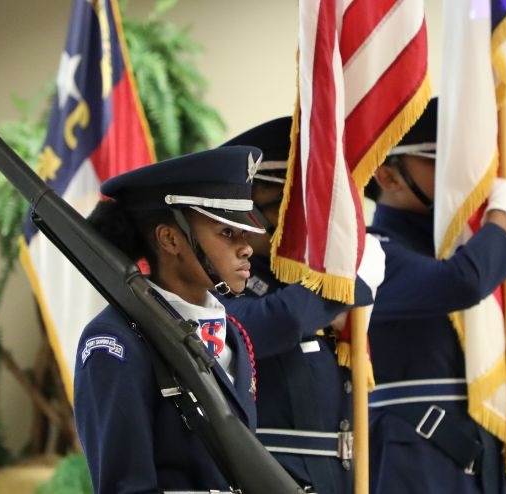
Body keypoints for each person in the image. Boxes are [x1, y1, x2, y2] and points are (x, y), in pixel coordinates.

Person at [73, 146, 268, 493]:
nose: (246, 247)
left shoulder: (233, 333)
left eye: (244, 232)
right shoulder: (117, 343)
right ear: (170, 238)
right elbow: (126, 486)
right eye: (227, 233)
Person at [364, 97, 506, 494]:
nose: (464, 176)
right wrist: (501, 218)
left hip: (480, 455)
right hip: (418, 459)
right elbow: (461, 283)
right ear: (389, 177)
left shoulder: (463, 249)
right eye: (440, 161)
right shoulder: (372, 250)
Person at [219, 117, 384, 494]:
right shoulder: (220, 281)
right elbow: (270, 324)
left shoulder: (297, 282)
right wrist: (348, 284)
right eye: (296, 206)